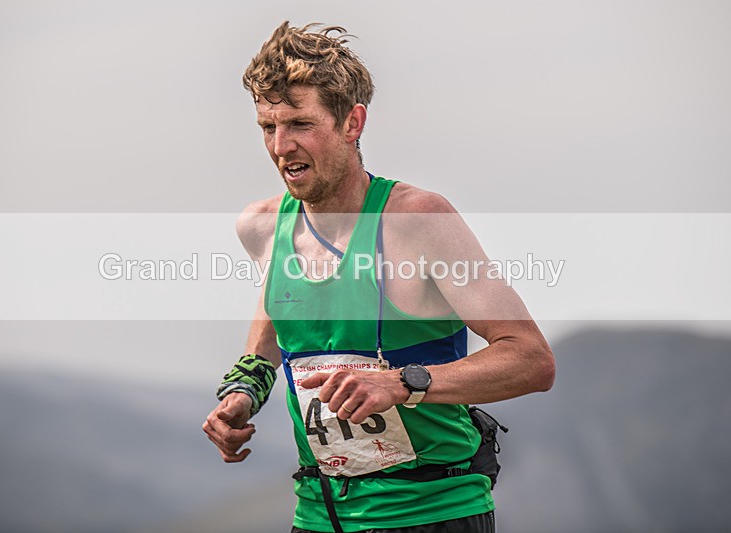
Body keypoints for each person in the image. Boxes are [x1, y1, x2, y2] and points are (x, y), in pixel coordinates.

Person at [202, 21, 555, 533]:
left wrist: (402, 384)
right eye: (267, 127)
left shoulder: (417, 220)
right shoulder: (261, 227)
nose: (281, 147)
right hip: (319, 514)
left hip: (432, 511)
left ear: (352, 122)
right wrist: (242, 394)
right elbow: (273, 334)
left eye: (300, 124)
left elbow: (532, 360)